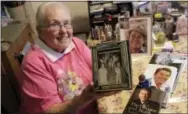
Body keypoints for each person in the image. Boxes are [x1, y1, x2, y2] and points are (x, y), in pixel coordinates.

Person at [17, 2, 116, 114]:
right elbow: (49, 111)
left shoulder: (76, 43)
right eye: (54, 24)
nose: (64, 31)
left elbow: (98, 67)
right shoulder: (33, 63)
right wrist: (85, 98)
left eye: (66, 23)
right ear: (39, 30)